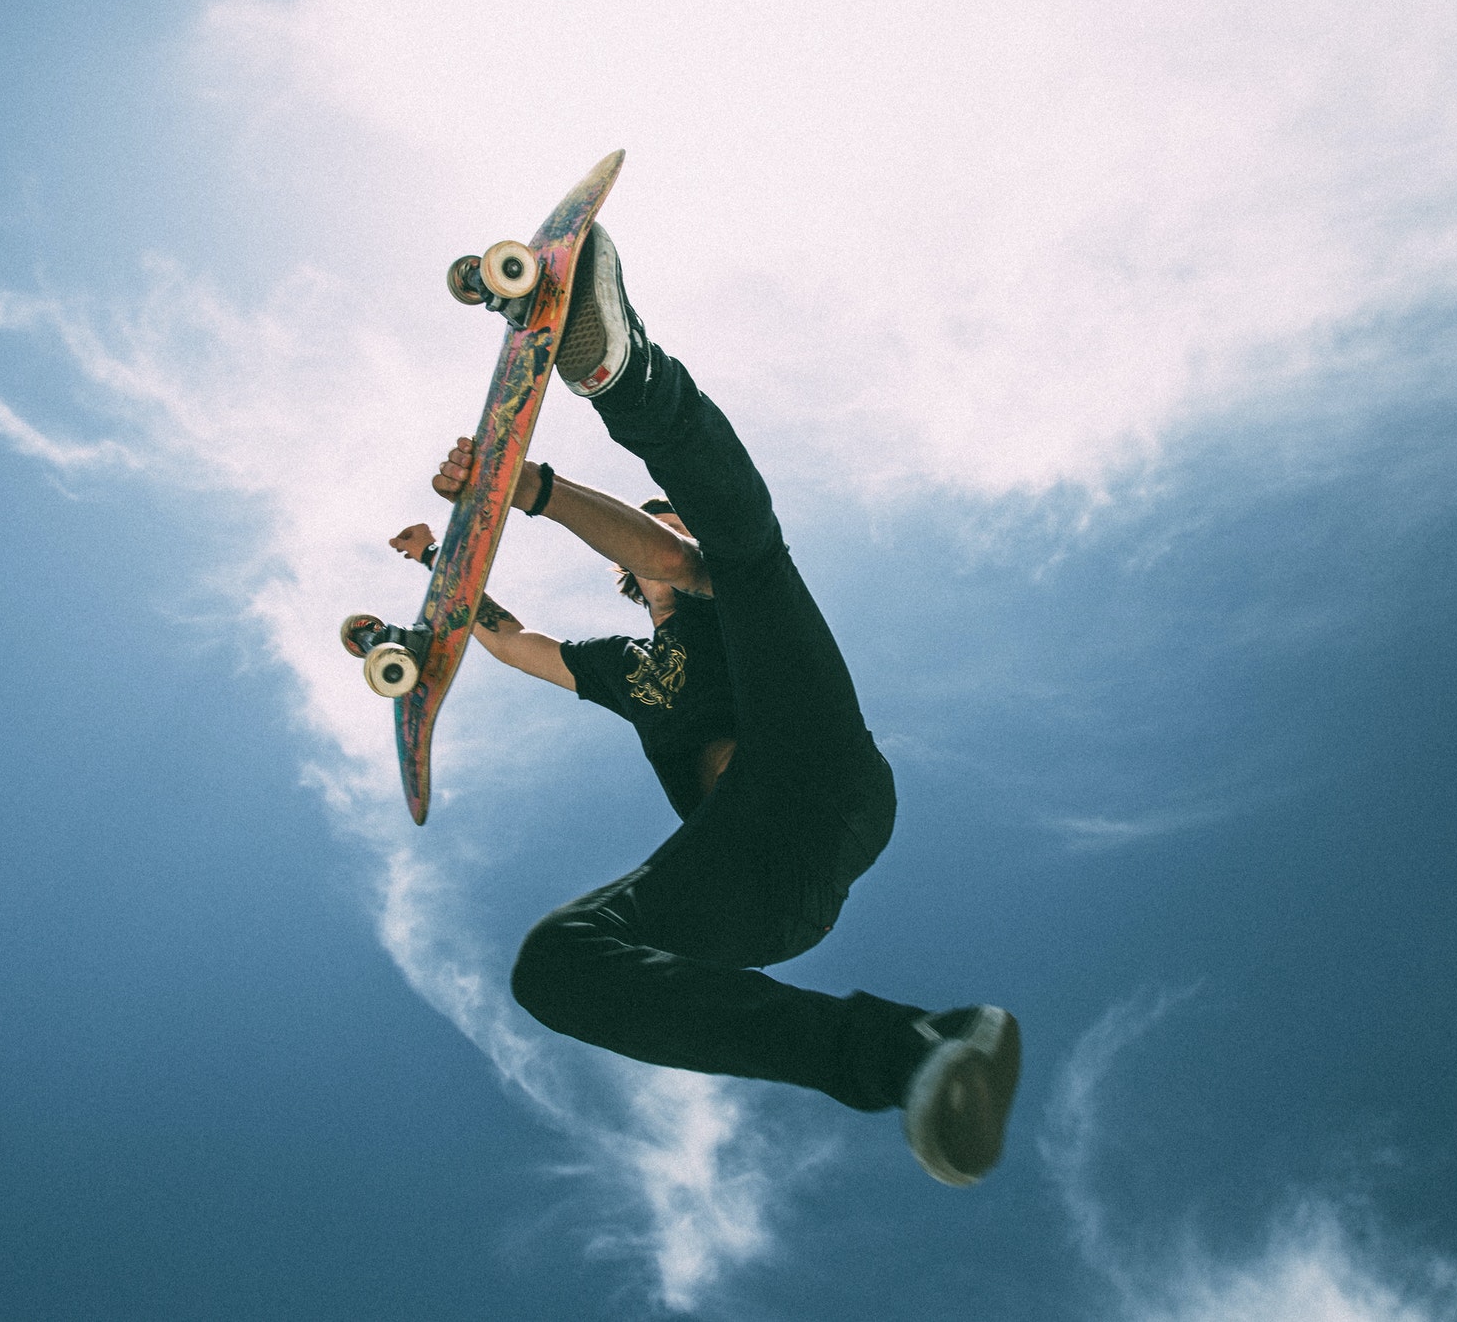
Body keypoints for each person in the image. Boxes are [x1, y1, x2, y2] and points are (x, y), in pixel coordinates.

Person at [388, 226, 1021, 1186]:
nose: (660, 533)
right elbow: (530, 648)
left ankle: (623, 371)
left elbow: (679, 558)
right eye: (653, 520)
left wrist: (533, 488)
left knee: (745, 548)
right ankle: (919, 1056)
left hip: (821, 777)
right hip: (757, 891)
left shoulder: (714, 587)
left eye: (664, 512)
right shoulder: (626, 664)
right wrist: (452, 582)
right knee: (555, 963)